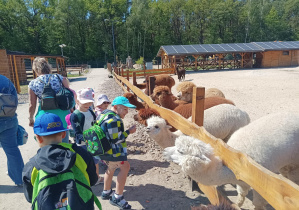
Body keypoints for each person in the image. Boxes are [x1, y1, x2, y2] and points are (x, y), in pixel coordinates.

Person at [22, 113, 99, 209]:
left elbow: (30, 197)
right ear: (63, 134)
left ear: (38, 138)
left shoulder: (32, 166)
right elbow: (93, 180)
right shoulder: (80, 154)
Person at [99, 96, 136, 209]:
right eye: (124, 109)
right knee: (125, 167)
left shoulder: (103, 115)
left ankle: (106, 191)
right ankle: (117, 197)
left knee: (110, 168)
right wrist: (128, 132)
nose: (127, 112)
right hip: (113, 152)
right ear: (116, 107)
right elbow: (116, 139)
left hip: (104, 151)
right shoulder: (114, 120)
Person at [28, 57, 70, 143]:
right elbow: (68, 95)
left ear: (35, 69)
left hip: (44, 115)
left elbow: (32, 105)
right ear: (48, 67)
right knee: (64, 140)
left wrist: (31, 118)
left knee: (47, 143)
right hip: (62, 112)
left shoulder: (33, 83)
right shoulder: (59, 78)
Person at [70, 88, 104, 185]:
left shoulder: (90, 111)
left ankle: (96, 178)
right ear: (77, 101)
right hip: (83, 144)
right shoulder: (76, 115)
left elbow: (94, 124)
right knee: (84, 162)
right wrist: (88, 139)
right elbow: (77, 133)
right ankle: (85, 179)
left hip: (93, 141)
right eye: (84, 102)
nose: (87, 105)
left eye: (89, 103)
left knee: (95, 161)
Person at [0, 75, 24, 186]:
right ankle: (20, 180)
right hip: (9, 120)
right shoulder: (6, 80)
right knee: (12, 150)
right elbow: (14, 101)